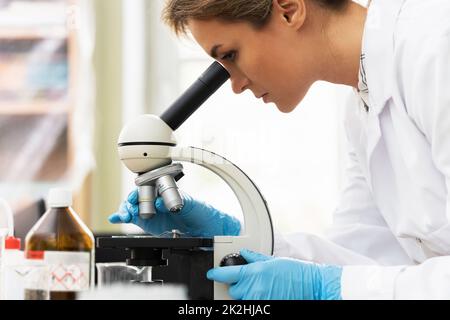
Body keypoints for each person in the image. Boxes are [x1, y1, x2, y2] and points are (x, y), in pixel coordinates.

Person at [108, 0, 450, 299]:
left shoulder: (435, 47)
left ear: (289, 11)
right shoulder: (361, 109)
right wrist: (236, 239)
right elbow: (359, 260)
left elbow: (339, 285)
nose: (237, 85)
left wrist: (319, 288)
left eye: (230, 55)